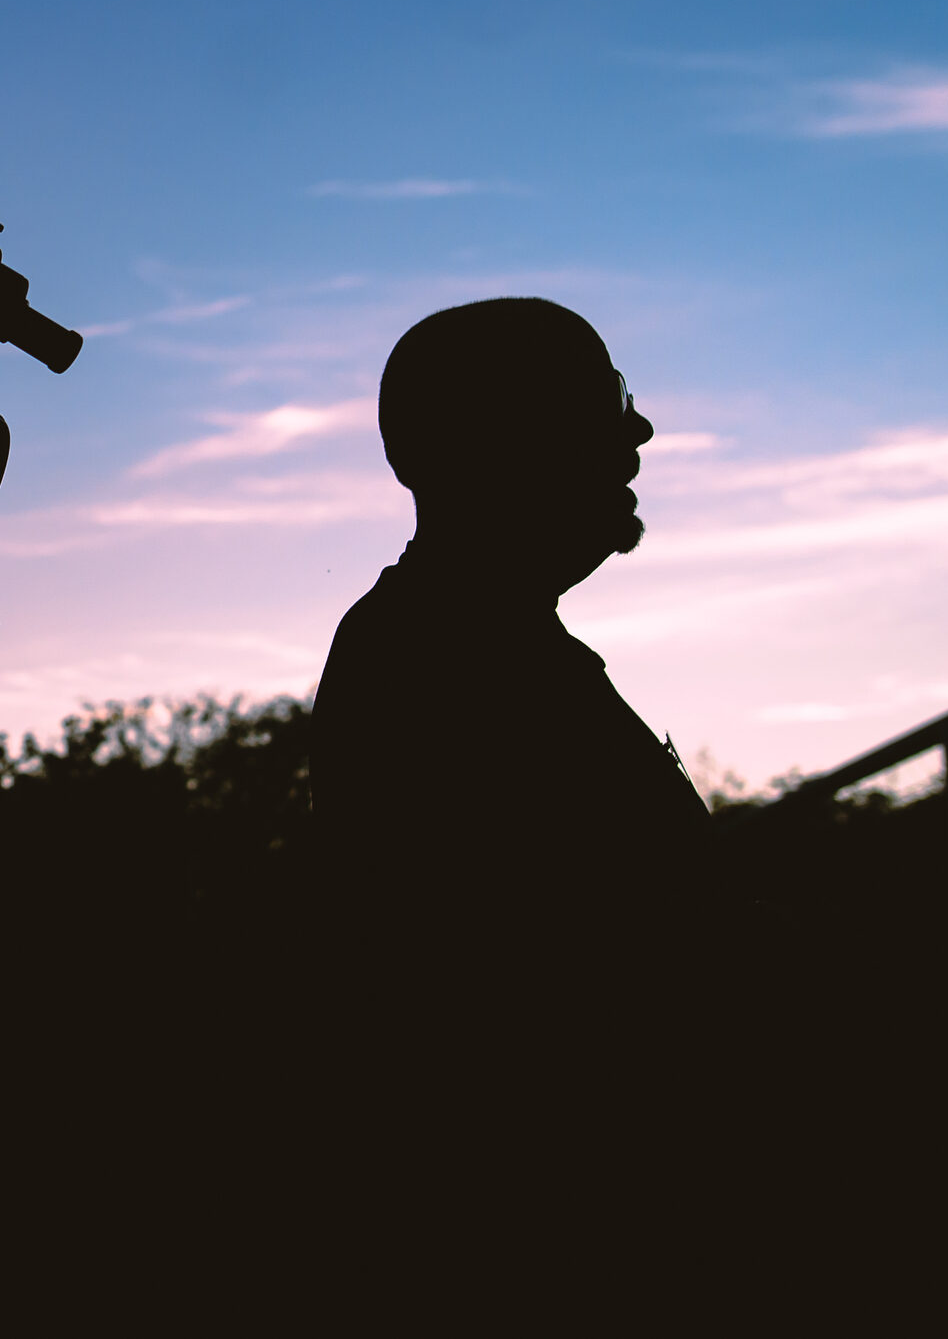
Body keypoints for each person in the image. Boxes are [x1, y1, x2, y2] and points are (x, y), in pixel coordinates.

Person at [307, 297, 714, 1309]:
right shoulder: (446, 659)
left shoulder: (471, 643)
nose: (637, 431)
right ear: (499, 440)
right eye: (602, 401)